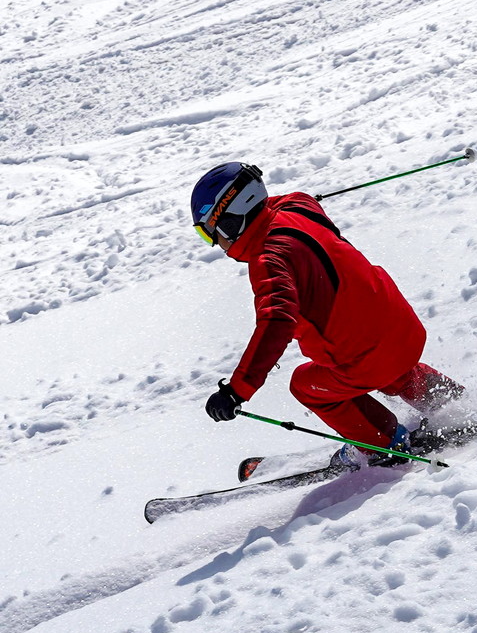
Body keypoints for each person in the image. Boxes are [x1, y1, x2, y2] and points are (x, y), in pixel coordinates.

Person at [191, 162, 462, 465]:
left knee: (307, 385)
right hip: (404, 331)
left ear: (229, 221)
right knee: (392, 369)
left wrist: (237, 392)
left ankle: (385, 446)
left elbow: (276, 322)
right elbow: (290, 200)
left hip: (366, 357)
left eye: (209, 233)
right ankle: (456, 404)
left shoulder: (269, 258)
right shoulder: (299, 207)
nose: (216, 243)